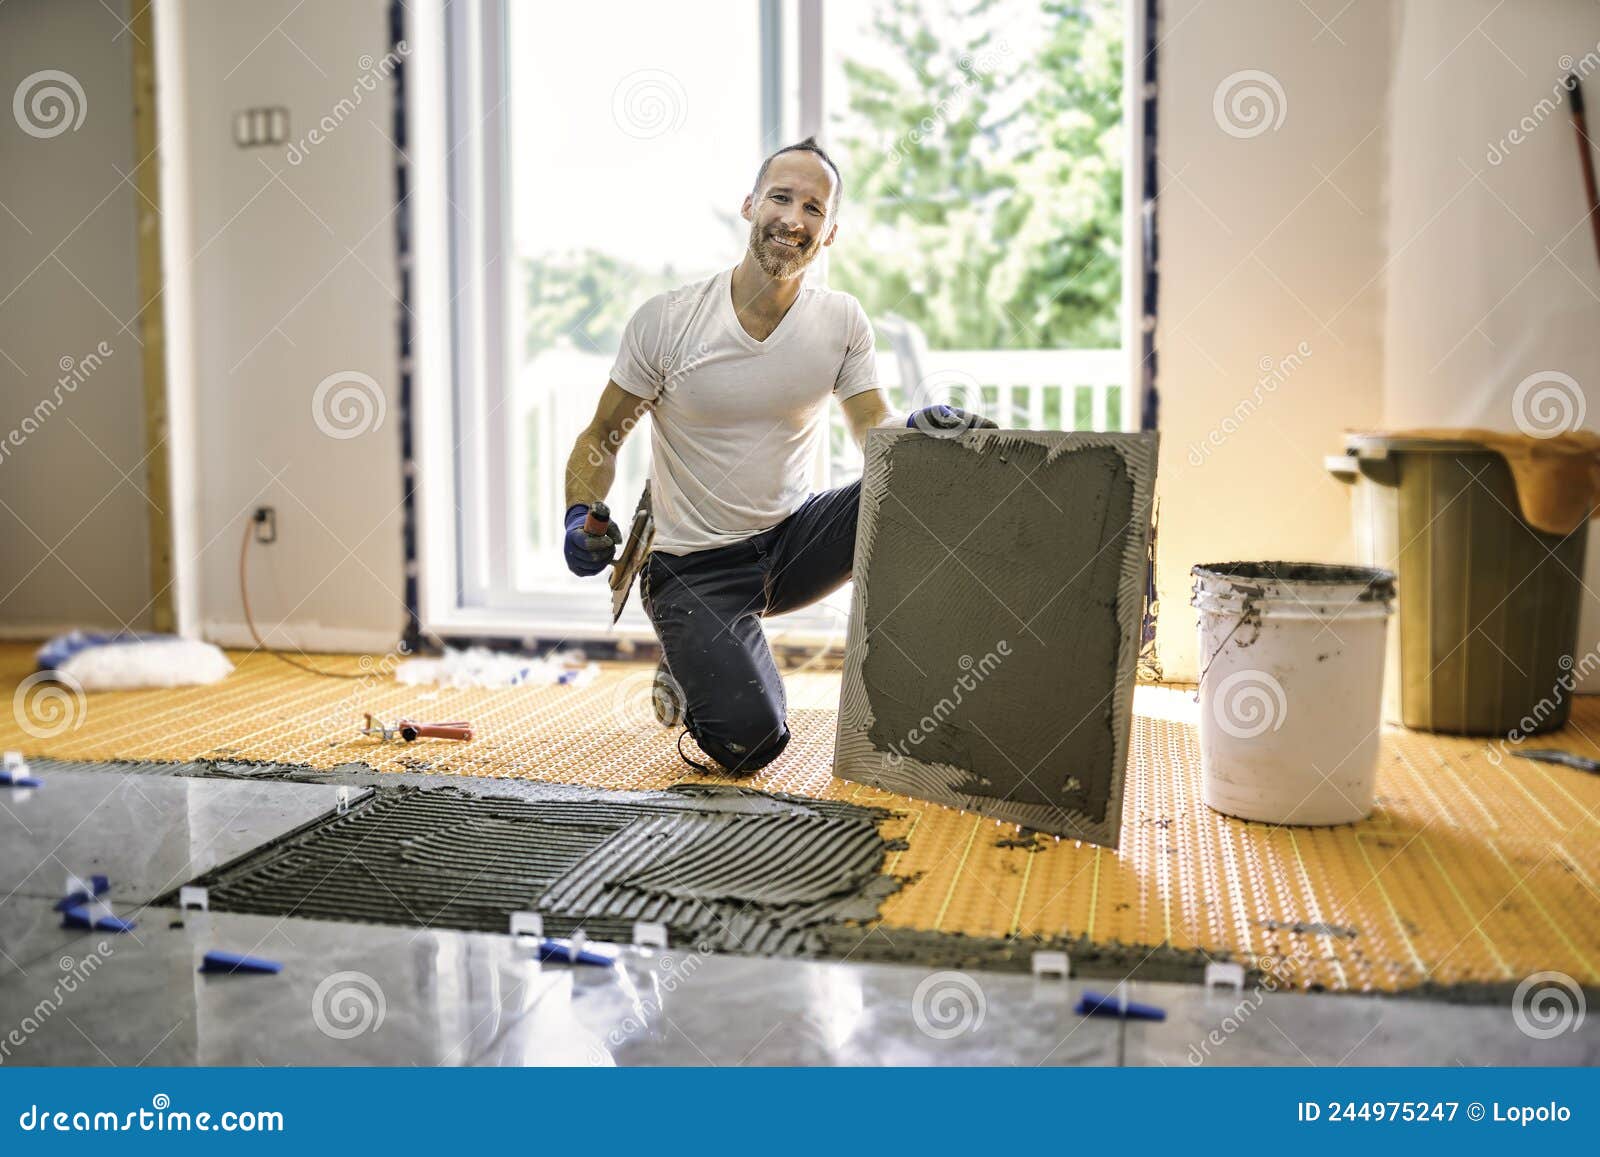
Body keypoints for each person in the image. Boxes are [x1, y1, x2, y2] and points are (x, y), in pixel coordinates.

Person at [562, 136, 992, 774]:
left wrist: (923, 436)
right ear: (749, 205)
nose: (794, 218)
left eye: (813, 208)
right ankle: (694, 657)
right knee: (752, 744)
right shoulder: (668, 322)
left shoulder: (842, 321)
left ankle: (939, 688)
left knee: (914, 480)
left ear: (830, 233)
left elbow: (873, 427)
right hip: (693, 566)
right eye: (781, 198)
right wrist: (579, 512)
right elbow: (601, 434)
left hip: (793, 543)